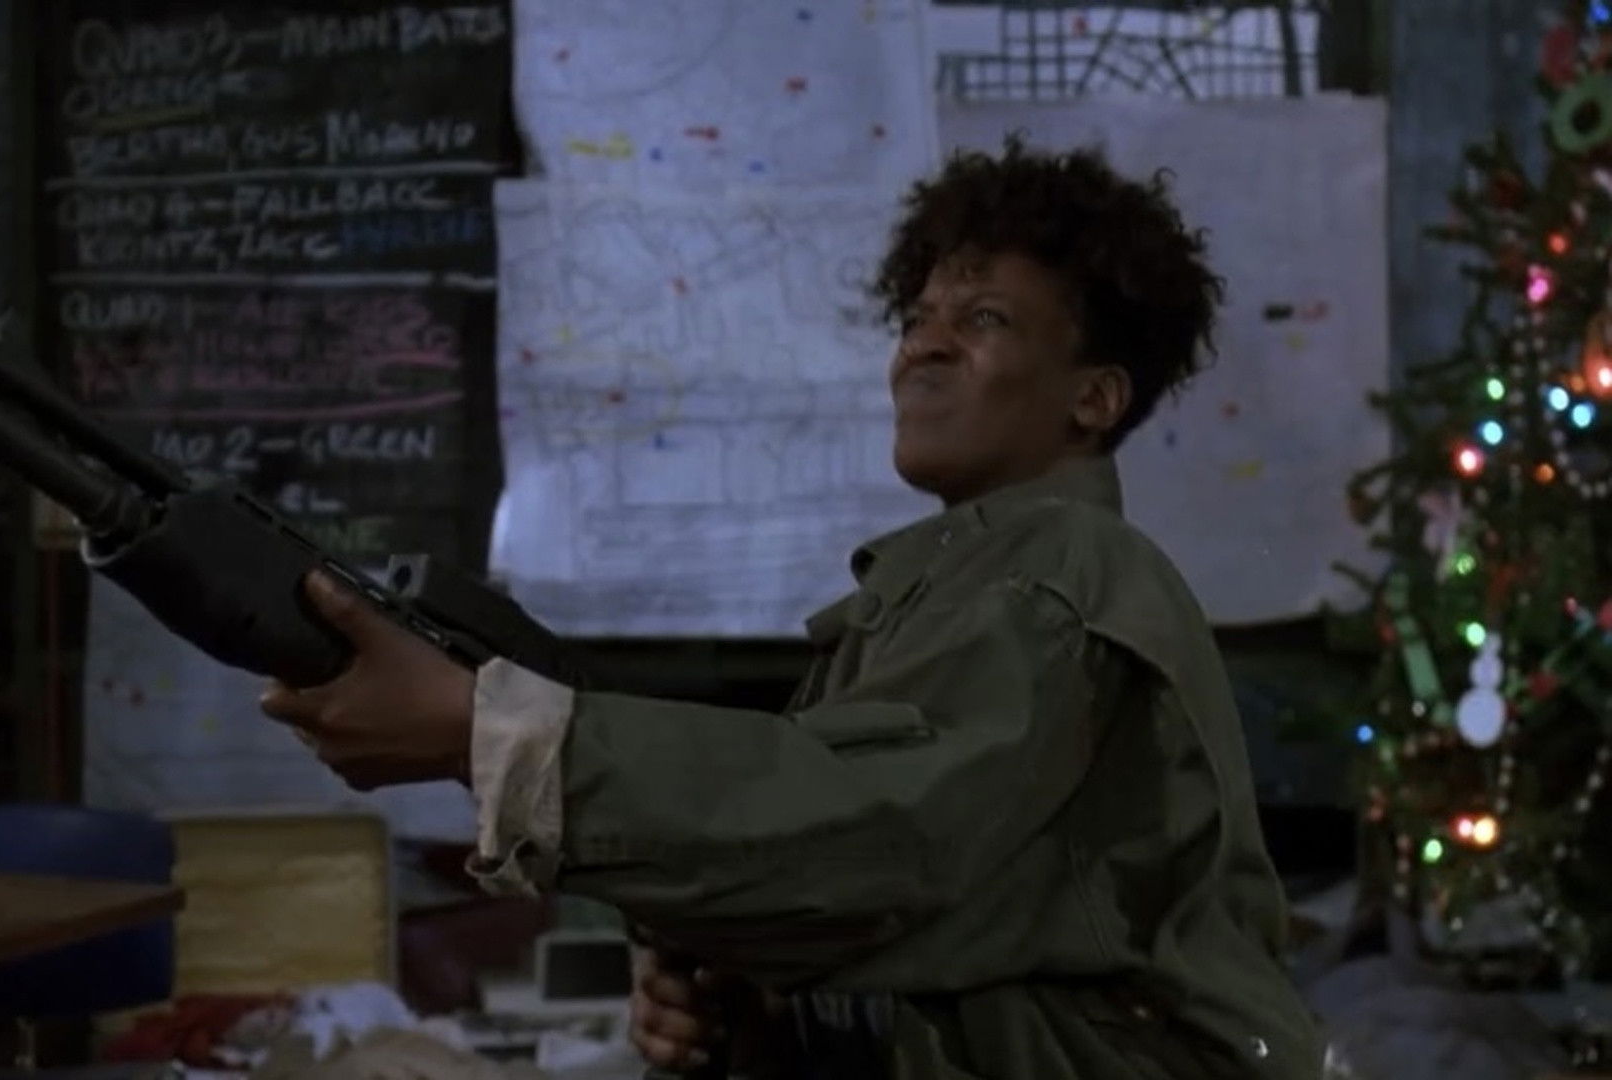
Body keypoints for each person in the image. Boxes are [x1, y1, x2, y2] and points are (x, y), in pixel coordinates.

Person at [259, 136, 1324, 1079]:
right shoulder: (944, 590)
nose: (923, 347)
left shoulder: (1061, 574)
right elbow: (949, 923)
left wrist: (489, 735)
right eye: (917, 318)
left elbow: (872, 837)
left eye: (984, 319)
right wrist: (760, 1013)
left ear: (1094, 396)